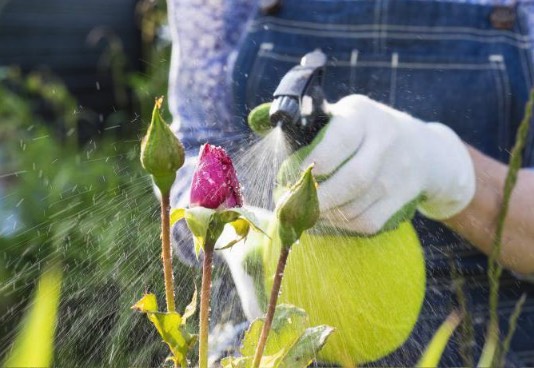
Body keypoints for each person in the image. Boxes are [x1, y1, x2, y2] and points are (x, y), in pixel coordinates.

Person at [166, 0, 534, 366]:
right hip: (277, 342)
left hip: (489, 341)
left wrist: (454, 172)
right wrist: (231, 238)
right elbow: (197, 150)